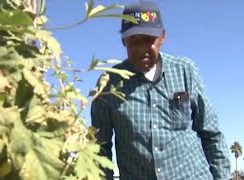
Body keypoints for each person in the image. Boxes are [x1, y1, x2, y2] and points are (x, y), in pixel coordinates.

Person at [91, 1, 231, 180]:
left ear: (162, 37)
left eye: (149, 40)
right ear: (123, 41)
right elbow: (99, 149)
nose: (142, 49)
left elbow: (211, 134)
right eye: (134, 42)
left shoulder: (186, 70)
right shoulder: (108, 84)